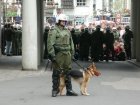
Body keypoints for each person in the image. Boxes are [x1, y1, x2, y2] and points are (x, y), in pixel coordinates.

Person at [47, 14, 78, 97]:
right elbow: (50, 44)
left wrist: (72, 53)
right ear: (58, 21)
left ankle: (69, 90)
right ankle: (55, 89)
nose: (64, 22)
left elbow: (71, 43)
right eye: (62, 21)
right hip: (59, 54)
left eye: (65, 21)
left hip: (67, 54)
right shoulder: (54, 30)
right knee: (56, 72)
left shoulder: (67, 31)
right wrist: (52, 55)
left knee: (68, 72)